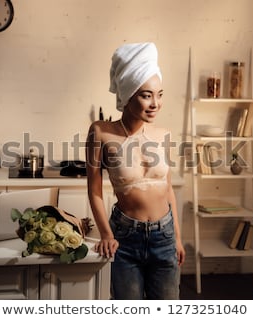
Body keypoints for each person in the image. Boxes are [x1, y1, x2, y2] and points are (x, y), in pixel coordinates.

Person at [86, 42, 185, 300]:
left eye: (159, 94)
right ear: (128, 95)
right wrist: (106, 235)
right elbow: (94, 190)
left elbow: (168, 191)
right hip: (125, 237)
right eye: (146, 95)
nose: (156, 103)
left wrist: (177, 238)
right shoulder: (101, 132)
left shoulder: (163, 135)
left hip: (164, 236)